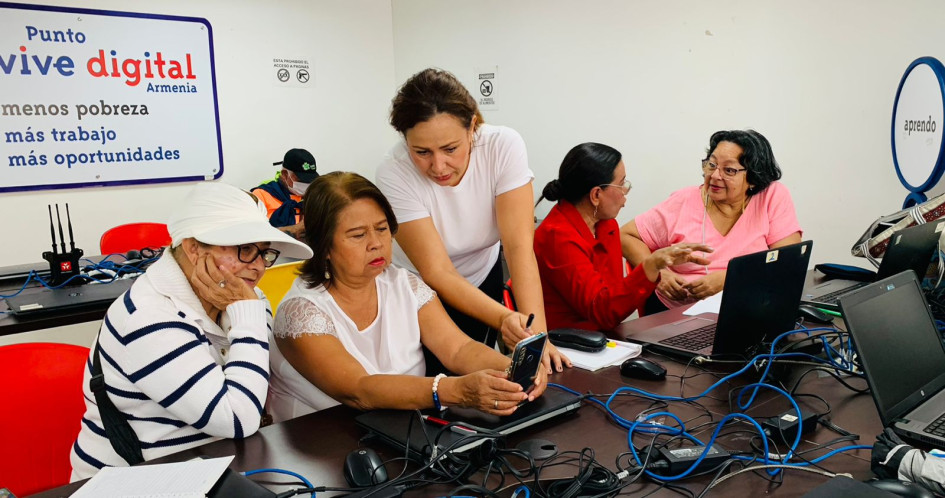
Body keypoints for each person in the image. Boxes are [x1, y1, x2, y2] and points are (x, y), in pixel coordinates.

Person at [70, 182, 313, 480]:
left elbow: (260, 390)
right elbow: (238, 418)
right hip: (135, 483)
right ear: (193, 248)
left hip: (216, 467)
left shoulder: (246, 297)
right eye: (245, 250)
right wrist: (246, 315)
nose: (259, 267)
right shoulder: (147, 317)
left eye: (264, 253)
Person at [267, 172, 546, 422]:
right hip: (322, 448)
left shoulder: (403, 284)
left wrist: (514, 370)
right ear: (323, 246)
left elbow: (458, 349)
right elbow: (359, 389)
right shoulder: (301, 313)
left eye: (382, 228)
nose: (376, 243)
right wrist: (453, 390)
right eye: (357, 235)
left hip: (399, 432)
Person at [375, 68, 569, 373]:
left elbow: (518, 248)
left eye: (450, 149)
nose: (438, 165)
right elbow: (437, 272)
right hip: (420, 288)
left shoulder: (502, 146)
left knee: (486, 371)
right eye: (421, 152)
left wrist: (537, 338)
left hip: (482, 274)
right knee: (433, 378)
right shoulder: (394, 172)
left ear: (472, 128)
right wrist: (504, 317)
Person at [534, 143, 713, 331]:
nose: (625, 193)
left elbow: (612, 301)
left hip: (606, 337)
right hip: (567, 345)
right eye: (622, 184)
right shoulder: (558, 236)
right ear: (596, 194)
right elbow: (603, 312)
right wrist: (650, 266)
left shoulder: (606, 225)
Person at [621, 129, 802, 313]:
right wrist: (658, 273)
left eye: (729, 170)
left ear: (754, 178)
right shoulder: (683, 201)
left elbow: (787, 262)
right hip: (677, 313)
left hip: (747, 308)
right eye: (711, 164)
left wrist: (729, 280)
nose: (715, 176)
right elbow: (626, 235)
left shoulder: (771, 196)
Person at [251, 148, 319, 239]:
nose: (306, 184)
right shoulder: (261, 195)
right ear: (284, 174)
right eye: (301, 180)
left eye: (310, 180)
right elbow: (255, 234)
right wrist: (295, 229)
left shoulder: (315, 195)